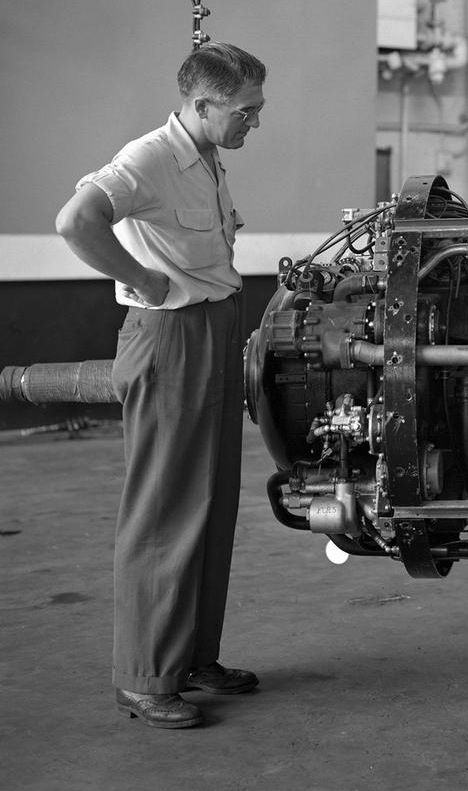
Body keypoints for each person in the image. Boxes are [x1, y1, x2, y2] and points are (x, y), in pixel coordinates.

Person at [55, 42, 266, 729]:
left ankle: (192, 659)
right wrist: (140, 278)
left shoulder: (207, 156)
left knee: (211, 503)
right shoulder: (148, 157)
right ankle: (144, 678)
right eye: (244, 112)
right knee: (163, 510)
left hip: (215, 327)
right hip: (170, 336)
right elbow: (75, 220)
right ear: (202, 105)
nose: (253, 122)